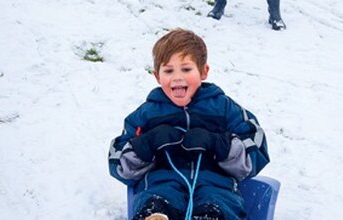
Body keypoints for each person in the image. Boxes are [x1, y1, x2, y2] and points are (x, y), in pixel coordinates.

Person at [108, 28, 269, 220]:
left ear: (203, 71)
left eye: (186, 69)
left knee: (216, 207)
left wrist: (218, 144)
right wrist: (148, 143)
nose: (177, 77)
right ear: (157, 76)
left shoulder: (224, 108)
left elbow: (256, 152)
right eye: (168, 70)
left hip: (217, 187)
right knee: (156, 204)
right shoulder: (146, 115)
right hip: (161, 186)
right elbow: (119, 164)